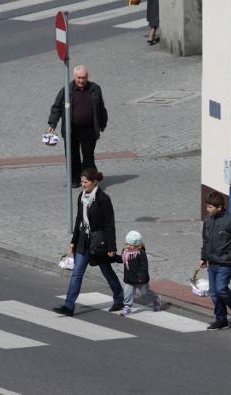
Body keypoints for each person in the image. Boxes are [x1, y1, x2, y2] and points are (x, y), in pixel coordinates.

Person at [53, 168, 124, 316]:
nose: (83, 185)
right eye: (81, 181)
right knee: (77, 273)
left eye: (85, 182)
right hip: (83, 241)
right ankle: (69, 306)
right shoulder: (81, 196)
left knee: (106, 270)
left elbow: (109, 225)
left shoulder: (103, 199)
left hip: (98, 243)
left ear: (94, 182)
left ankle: (119, 298)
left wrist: (112, 247)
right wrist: (73, 240)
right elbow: (79, 219)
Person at [47, 65, 108, 188]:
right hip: (71, 130)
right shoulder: (67, 90)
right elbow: (57, 108)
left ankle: (90, 180)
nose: (81, 80)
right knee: (72, 155)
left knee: (88, 156)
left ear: (87, 77)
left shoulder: (95, 89)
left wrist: (102, 123)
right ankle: (75, 179)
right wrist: (52, 124)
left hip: (89, 129)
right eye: (79, 78)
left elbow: (101, 108)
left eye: (84, 78)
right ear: (74, 77)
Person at [199, 191, 231, 330]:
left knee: (221, 289)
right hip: (212, 262)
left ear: (219, 207)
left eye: (210, 207)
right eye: (207, 207)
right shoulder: (208, 221)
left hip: (226, 262)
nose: (207, 210)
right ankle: (221, 319)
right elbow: (206, 241)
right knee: (214, 292)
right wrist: (203, 257)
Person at [115, 230, 162, 316]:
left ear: (138, 245)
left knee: (146, 292)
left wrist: (142, 276)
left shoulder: (141, 254)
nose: (128, 246)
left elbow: (144, 266)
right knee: (127, 292)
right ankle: (127, 306)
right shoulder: (125, 251)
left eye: (130, 245)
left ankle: (156, 299)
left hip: (140, 278)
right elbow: (121, 259)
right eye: (127, 244)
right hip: (129, 277)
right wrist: (114, 257)